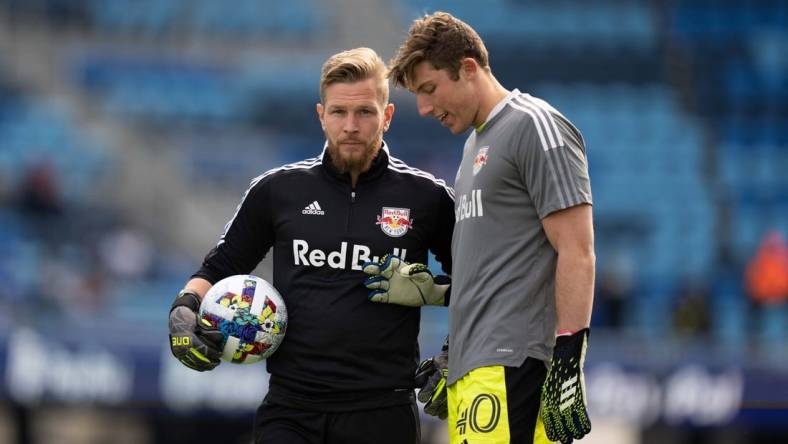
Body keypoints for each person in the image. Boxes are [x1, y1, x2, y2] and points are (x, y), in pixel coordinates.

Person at [167, 47, 455, 444]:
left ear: (386, 116)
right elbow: (219, 268)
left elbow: (478, 283)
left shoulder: (428, 196)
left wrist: (451, 351)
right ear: (321, 116)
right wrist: (183, 309)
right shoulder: (277, 190)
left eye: (365, 112)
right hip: (291, 409)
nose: (351, 125)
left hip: (383, 412)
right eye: (339, 112)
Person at [365, 12, 596, 444]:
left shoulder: (535, 125)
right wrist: (450, 333)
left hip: (515, 363)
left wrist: (568, 355)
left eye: (430, 89)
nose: (425, 108)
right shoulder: (474, 144)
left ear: (468, 68)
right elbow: (499, 268)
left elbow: (577, 249)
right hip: (477, 368)